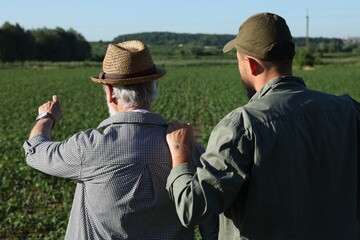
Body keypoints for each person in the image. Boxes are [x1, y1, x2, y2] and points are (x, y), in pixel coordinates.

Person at [165, 12, 360, 240]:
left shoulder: (241, 126)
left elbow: (192, 208)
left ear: (251, 64)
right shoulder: (349, 111)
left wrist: (180, 158)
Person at [23, 40, 218, 239]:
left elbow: (35, 152)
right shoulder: (189, 149)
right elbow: (211, 223)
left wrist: (46, 117)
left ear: (110, 93)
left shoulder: (89, 147)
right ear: (154, 87)